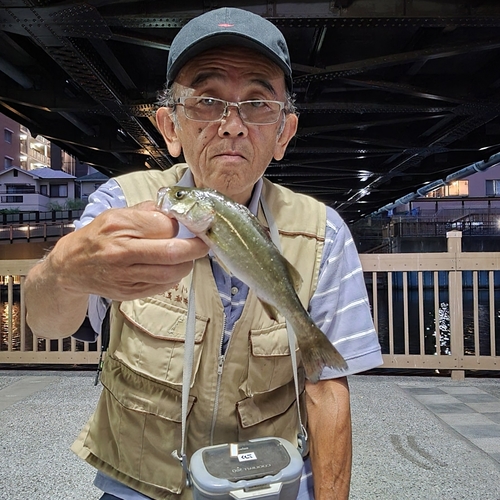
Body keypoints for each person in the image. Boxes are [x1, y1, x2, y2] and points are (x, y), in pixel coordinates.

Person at [25, 7, 382, 500]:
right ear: (169, 127)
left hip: (268, 483)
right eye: (207, 101)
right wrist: (63, 270)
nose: (232, 125)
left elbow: (327, 389)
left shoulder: (325, 234)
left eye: (258, 104)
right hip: (137, 486)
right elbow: (48, 324)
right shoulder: (120, 206)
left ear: (284, 133)